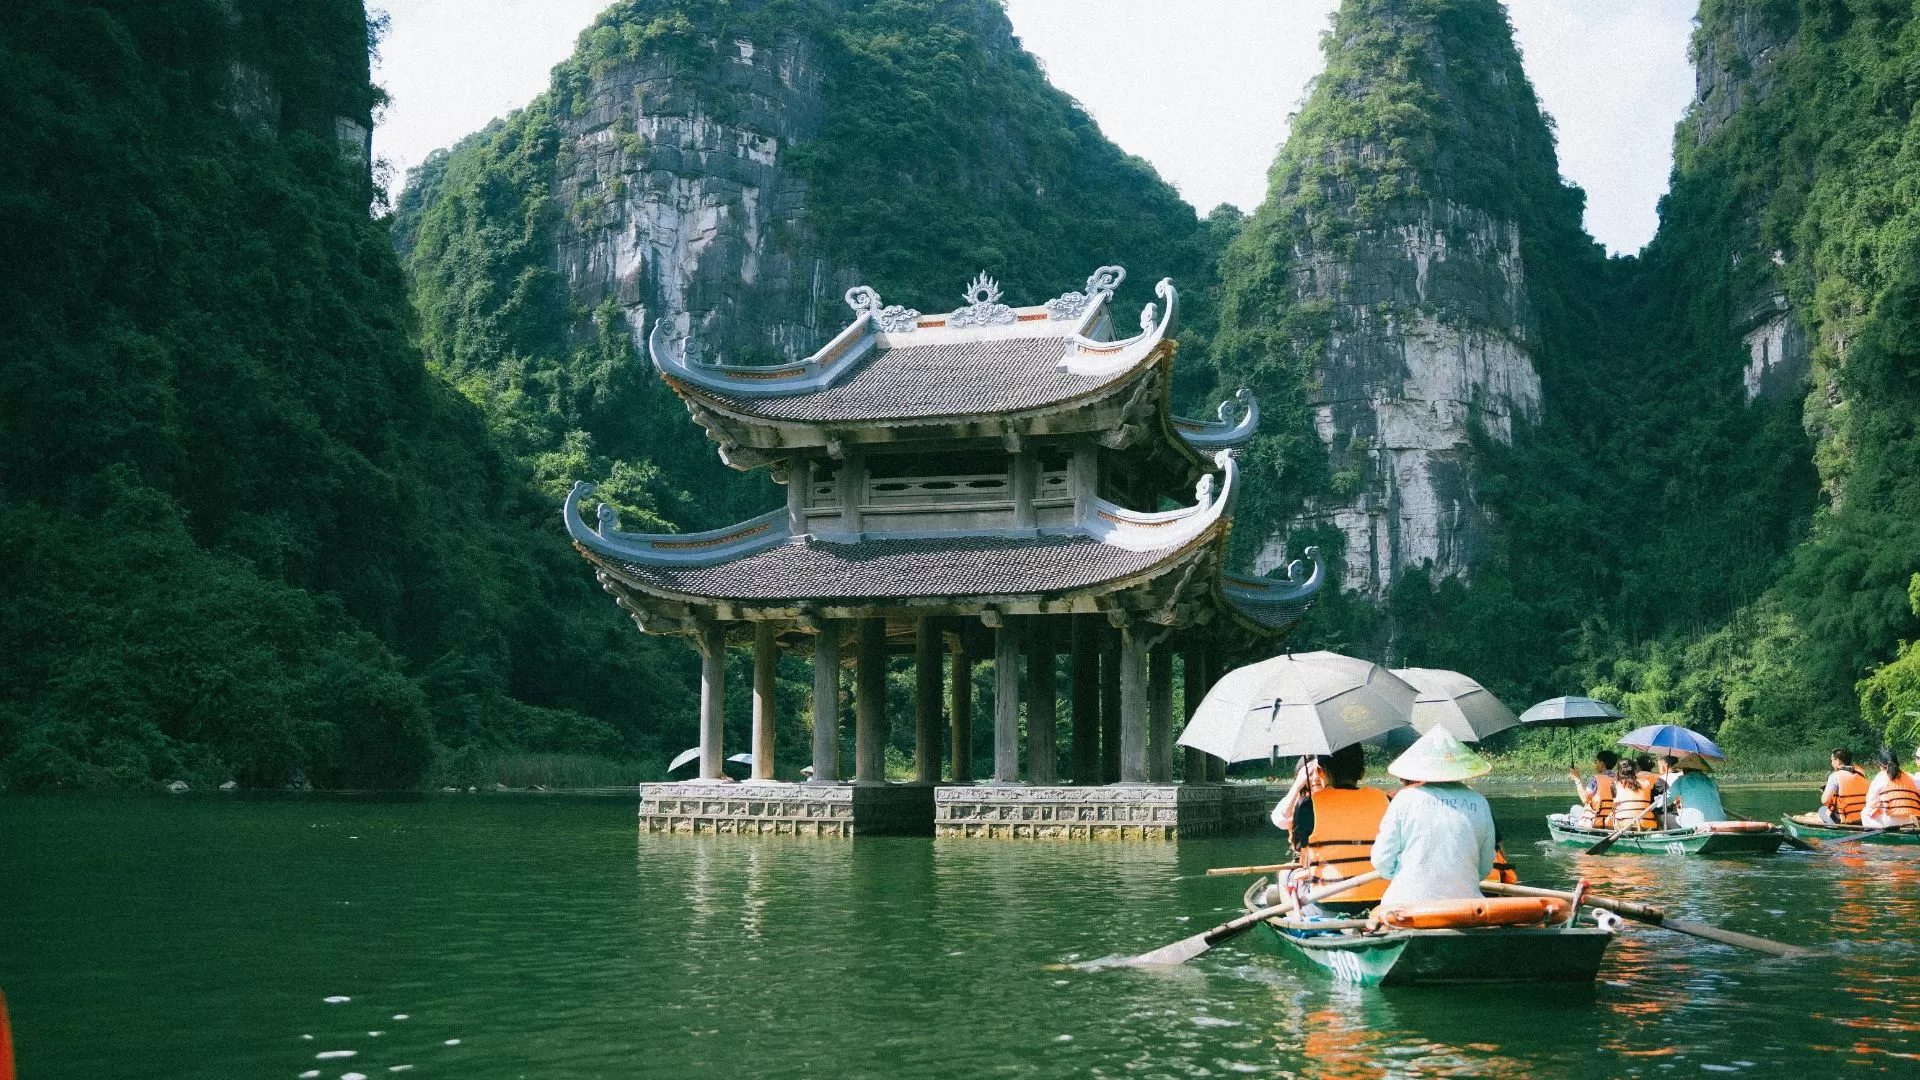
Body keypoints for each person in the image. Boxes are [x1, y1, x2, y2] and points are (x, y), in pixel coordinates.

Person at [1369, 727, 1497, 904]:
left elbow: (1382, 861)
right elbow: (1484, 868)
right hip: (1466, 905)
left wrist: (1399, 873)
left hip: (1407, 904)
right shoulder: (1480, 802)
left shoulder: (1404, 798)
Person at [1282, 743, 1390, 912]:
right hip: (1382, 899)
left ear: (1320, 772)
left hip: (1329, 901)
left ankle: (1293, 917)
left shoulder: (1308, 805)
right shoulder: (1384, 800)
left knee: (1286, 876)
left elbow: (1303, 856)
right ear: (1361, 773)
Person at [1862, 747, 1920, 829]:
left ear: (1881, 766)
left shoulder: (1880, 778)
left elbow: (1871, 803)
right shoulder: (1910, 776)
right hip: (1909, 821)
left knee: (1864, 812)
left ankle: (1871, 841)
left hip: (1889, 822)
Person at [1664, 756, 1727, 823]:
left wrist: (1658, 801)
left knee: (1663, 817)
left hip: (1694, 825)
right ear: (1700, 769)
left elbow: (1665, 800)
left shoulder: (1681, 780)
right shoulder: (1712, 781)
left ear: (1685, 770)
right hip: (1720, 822)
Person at [1568, 750, 1619, 830]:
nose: (1595, 763)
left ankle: (1577, 824)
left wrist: (1577, 779)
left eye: (1596, 761)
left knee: (1574, 808)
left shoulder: (1596, 780)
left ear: (1602, 764)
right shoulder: (1619, 779)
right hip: (1612, 821)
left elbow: (1585, 799)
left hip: (1595, 821)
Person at [1818, 748, 1870, 825]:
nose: (1831, 763)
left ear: (1838, 761)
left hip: (1846, 821)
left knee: (1822, 810)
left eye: (1832, 760)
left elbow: (1825, 801)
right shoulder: (1861, 773)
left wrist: (1825, 794)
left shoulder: (1835, 776)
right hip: (1862, 818)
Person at [1611, 760, 1658, 831]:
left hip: (1624, 824)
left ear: (1618, 770)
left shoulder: (1615, 784)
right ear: (1635, 770)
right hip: (1646, 823)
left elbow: (1614, 804)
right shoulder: (1646, 783)